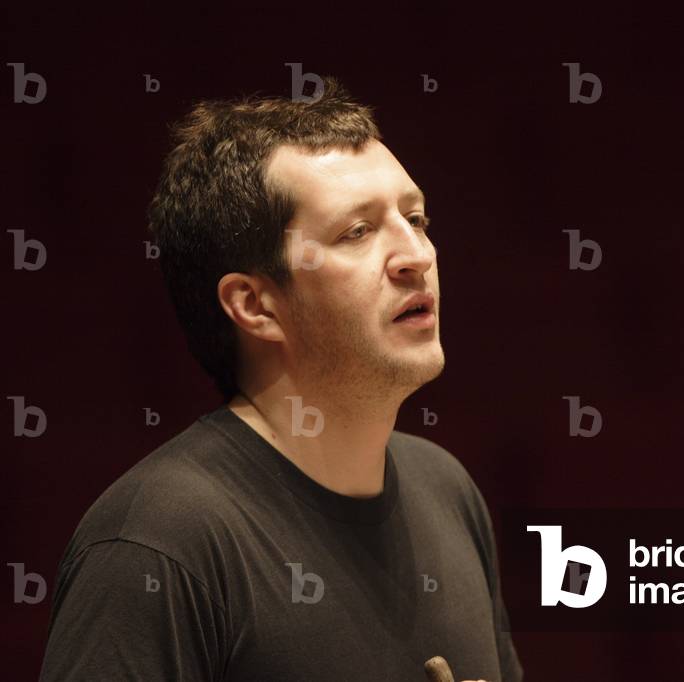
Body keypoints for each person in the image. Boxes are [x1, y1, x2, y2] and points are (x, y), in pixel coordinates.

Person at [39, 77, 523, 682]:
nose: (417, 255)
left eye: (416, 218)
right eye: (357, 232)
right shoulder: (157, 542)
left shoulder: (446, 490)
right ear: (255, 306)